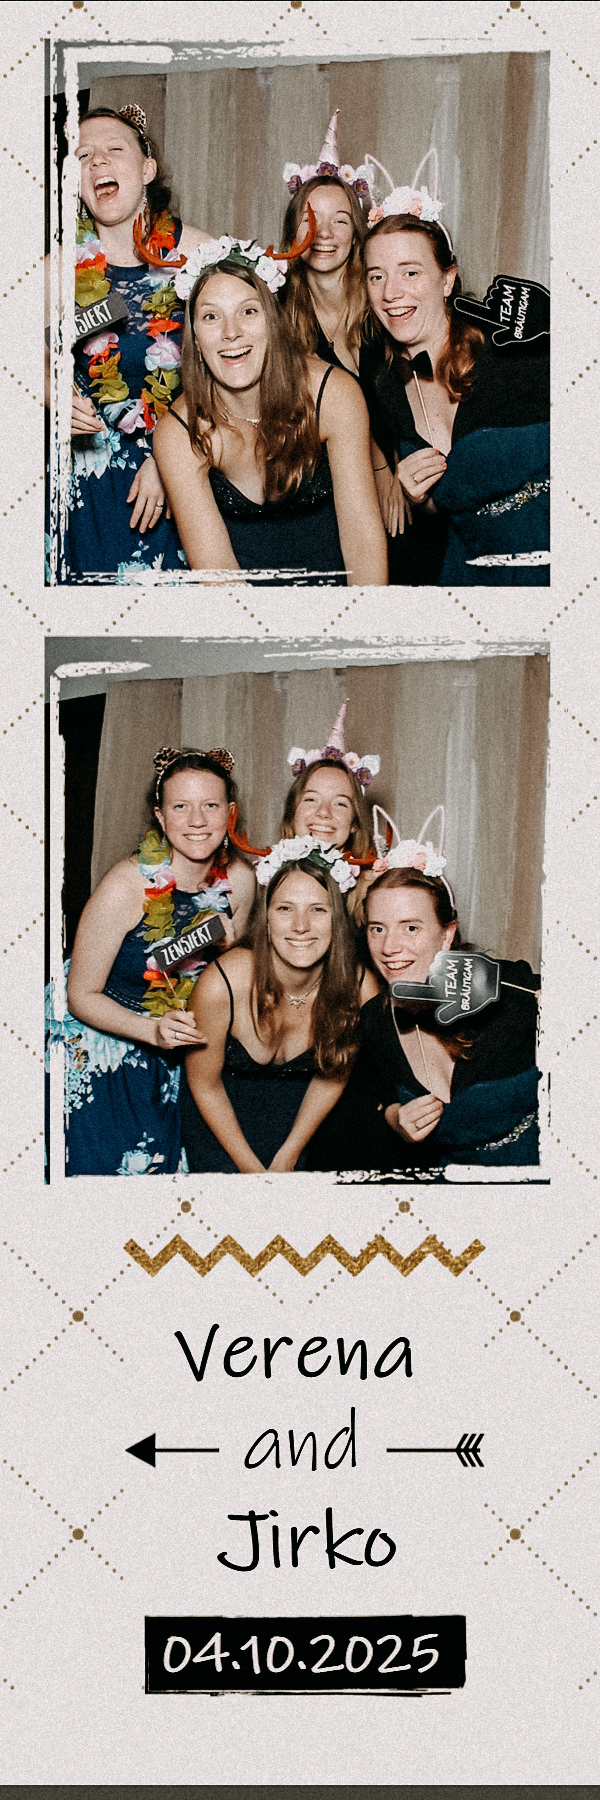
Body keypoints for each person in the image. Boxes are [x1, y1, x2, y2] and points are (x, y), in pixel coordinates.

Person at [47, 748, 256, 1175]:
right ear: (160, 816)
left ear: (230, 813)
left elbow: (220, 980)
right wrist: (152, 1031)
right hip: (93, 1045)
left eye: (210, 805)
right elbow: (79, 995)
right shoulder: (126, 886)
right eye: (180, 807)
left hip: (174, 1052)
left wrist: (229, 946)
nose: (197, 820)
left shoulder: (240, 882)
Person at [153, 234, 387, 585]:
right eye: (211, 316)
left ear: (273, 324)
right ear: (196, 339)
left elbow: (363, 545)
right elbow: (218, 575)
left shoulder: (333, 394)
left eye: (248, 311)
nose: (231, 332)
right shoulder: (178, 433)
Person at [361, 151, 550, 585]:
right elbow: (448, 500)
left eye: (410, 273)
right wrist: (418, 498)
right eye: (376, 276)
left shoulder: (509, 351)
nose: (391, 292)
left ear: (447, 280)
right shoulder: (384, 381)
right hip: (470, 573)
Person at [46, 103, 210, 582]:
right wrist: (47, 386)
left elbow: (237, 370)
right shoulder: (57, 269)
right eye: (82, 155)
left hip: (177, 481)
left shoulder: (202, 257)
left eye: (114, 149)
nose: (97, 160)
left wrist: (173, 454)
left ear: (147, 169)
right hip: (81, 498)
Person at [359, 810, 541, 1172]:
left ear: (447, 934)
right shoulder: (375, 1020)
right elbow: (379, 1099)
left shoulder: (510, 989)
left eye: (410, 928)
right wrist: (395, 1119)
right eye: (377, 929)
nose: (389, 947)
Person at [181, 842, 379, 1173]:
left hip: (304, 1132)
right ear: (267, 918)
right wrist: (254, 1173)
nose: (301, 925)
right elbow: (205, 1084)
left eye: (318, 910)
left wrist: (290, 1152)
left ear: (337, 920)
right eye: (285, 909)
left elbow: (332, 1076)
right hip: (222, 1128)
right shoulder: (224, 982)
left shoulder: (359, 988)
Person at [280, 110, 371, 375]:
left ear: (355, 235)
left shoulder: (380, 302)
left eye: (340, 220)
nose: (323, 233)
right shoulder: (277, 310)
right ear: (292, 231)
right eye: (310, 219)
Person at [280, 699, 379, 918]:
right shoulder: (266, 876)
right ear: (292, 812)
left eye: (340, 803)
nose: (324, 812)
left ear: (354, 823)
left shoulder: (372, 891)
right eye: (311, 799)